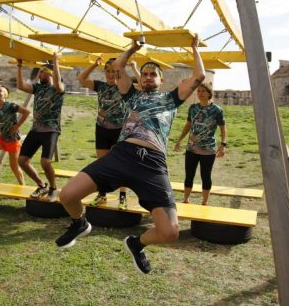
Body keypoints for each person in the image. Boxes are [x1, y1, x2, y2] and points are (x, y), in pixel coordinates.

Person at [55, 36, 205, 274]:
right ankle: (79, 223)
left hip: (153, 164)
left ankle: (137, 244)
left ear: (161, 79)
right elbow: (117, 67)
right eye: (144, 74)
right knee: (67, 195)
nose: (147, 77)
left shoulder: (170, 99)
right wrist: (133, 48)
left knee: (170, 232)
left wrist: (194, 49)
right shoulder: (131, 95)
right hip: (122, 154)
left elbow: (199, 76)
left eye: (152, 74)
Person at [77, 57, 129, 210]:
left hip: (120, 129)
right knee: (102, 164)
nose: (110, 74)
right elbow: (81, 78)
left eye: (114, 71)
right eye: (107, 71)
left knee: (122, 164)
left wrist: (129, 67)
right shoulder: (99, 86)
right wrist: (94, 64)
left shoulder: (125, 87)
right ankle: (102, 194)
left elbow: (141, 87)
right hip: (102, 129)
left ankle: (123, 197)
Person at [16, 53, 65, 202]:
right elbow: (20, 86)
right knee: (22, 160)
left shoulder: (58, 88)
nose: (38, 75)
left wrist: (55, 62)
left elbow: (57, 84)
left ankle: (53, 188)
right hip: (36, 129)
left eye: (41, 72)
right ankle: (41, 185)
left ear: (48, 73)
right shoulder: (38, 88)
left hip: (51, 130)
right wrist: (19, 66)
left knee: (45, 162)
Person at [174, 82, 226, 205]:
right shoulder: (193, 108)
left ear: (209, 93)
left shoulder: (217, 110)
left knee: (205, 176)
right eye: (198, 91)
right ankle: (185, 200)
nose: (200, 93)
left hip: (208, 149)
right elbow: (188, 124)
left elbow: (223, 128)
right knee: (189, 174)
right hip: (191, 148)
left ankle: (204, 202)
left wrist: (223, 145)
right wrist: (179, 140)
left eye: (203, 91)